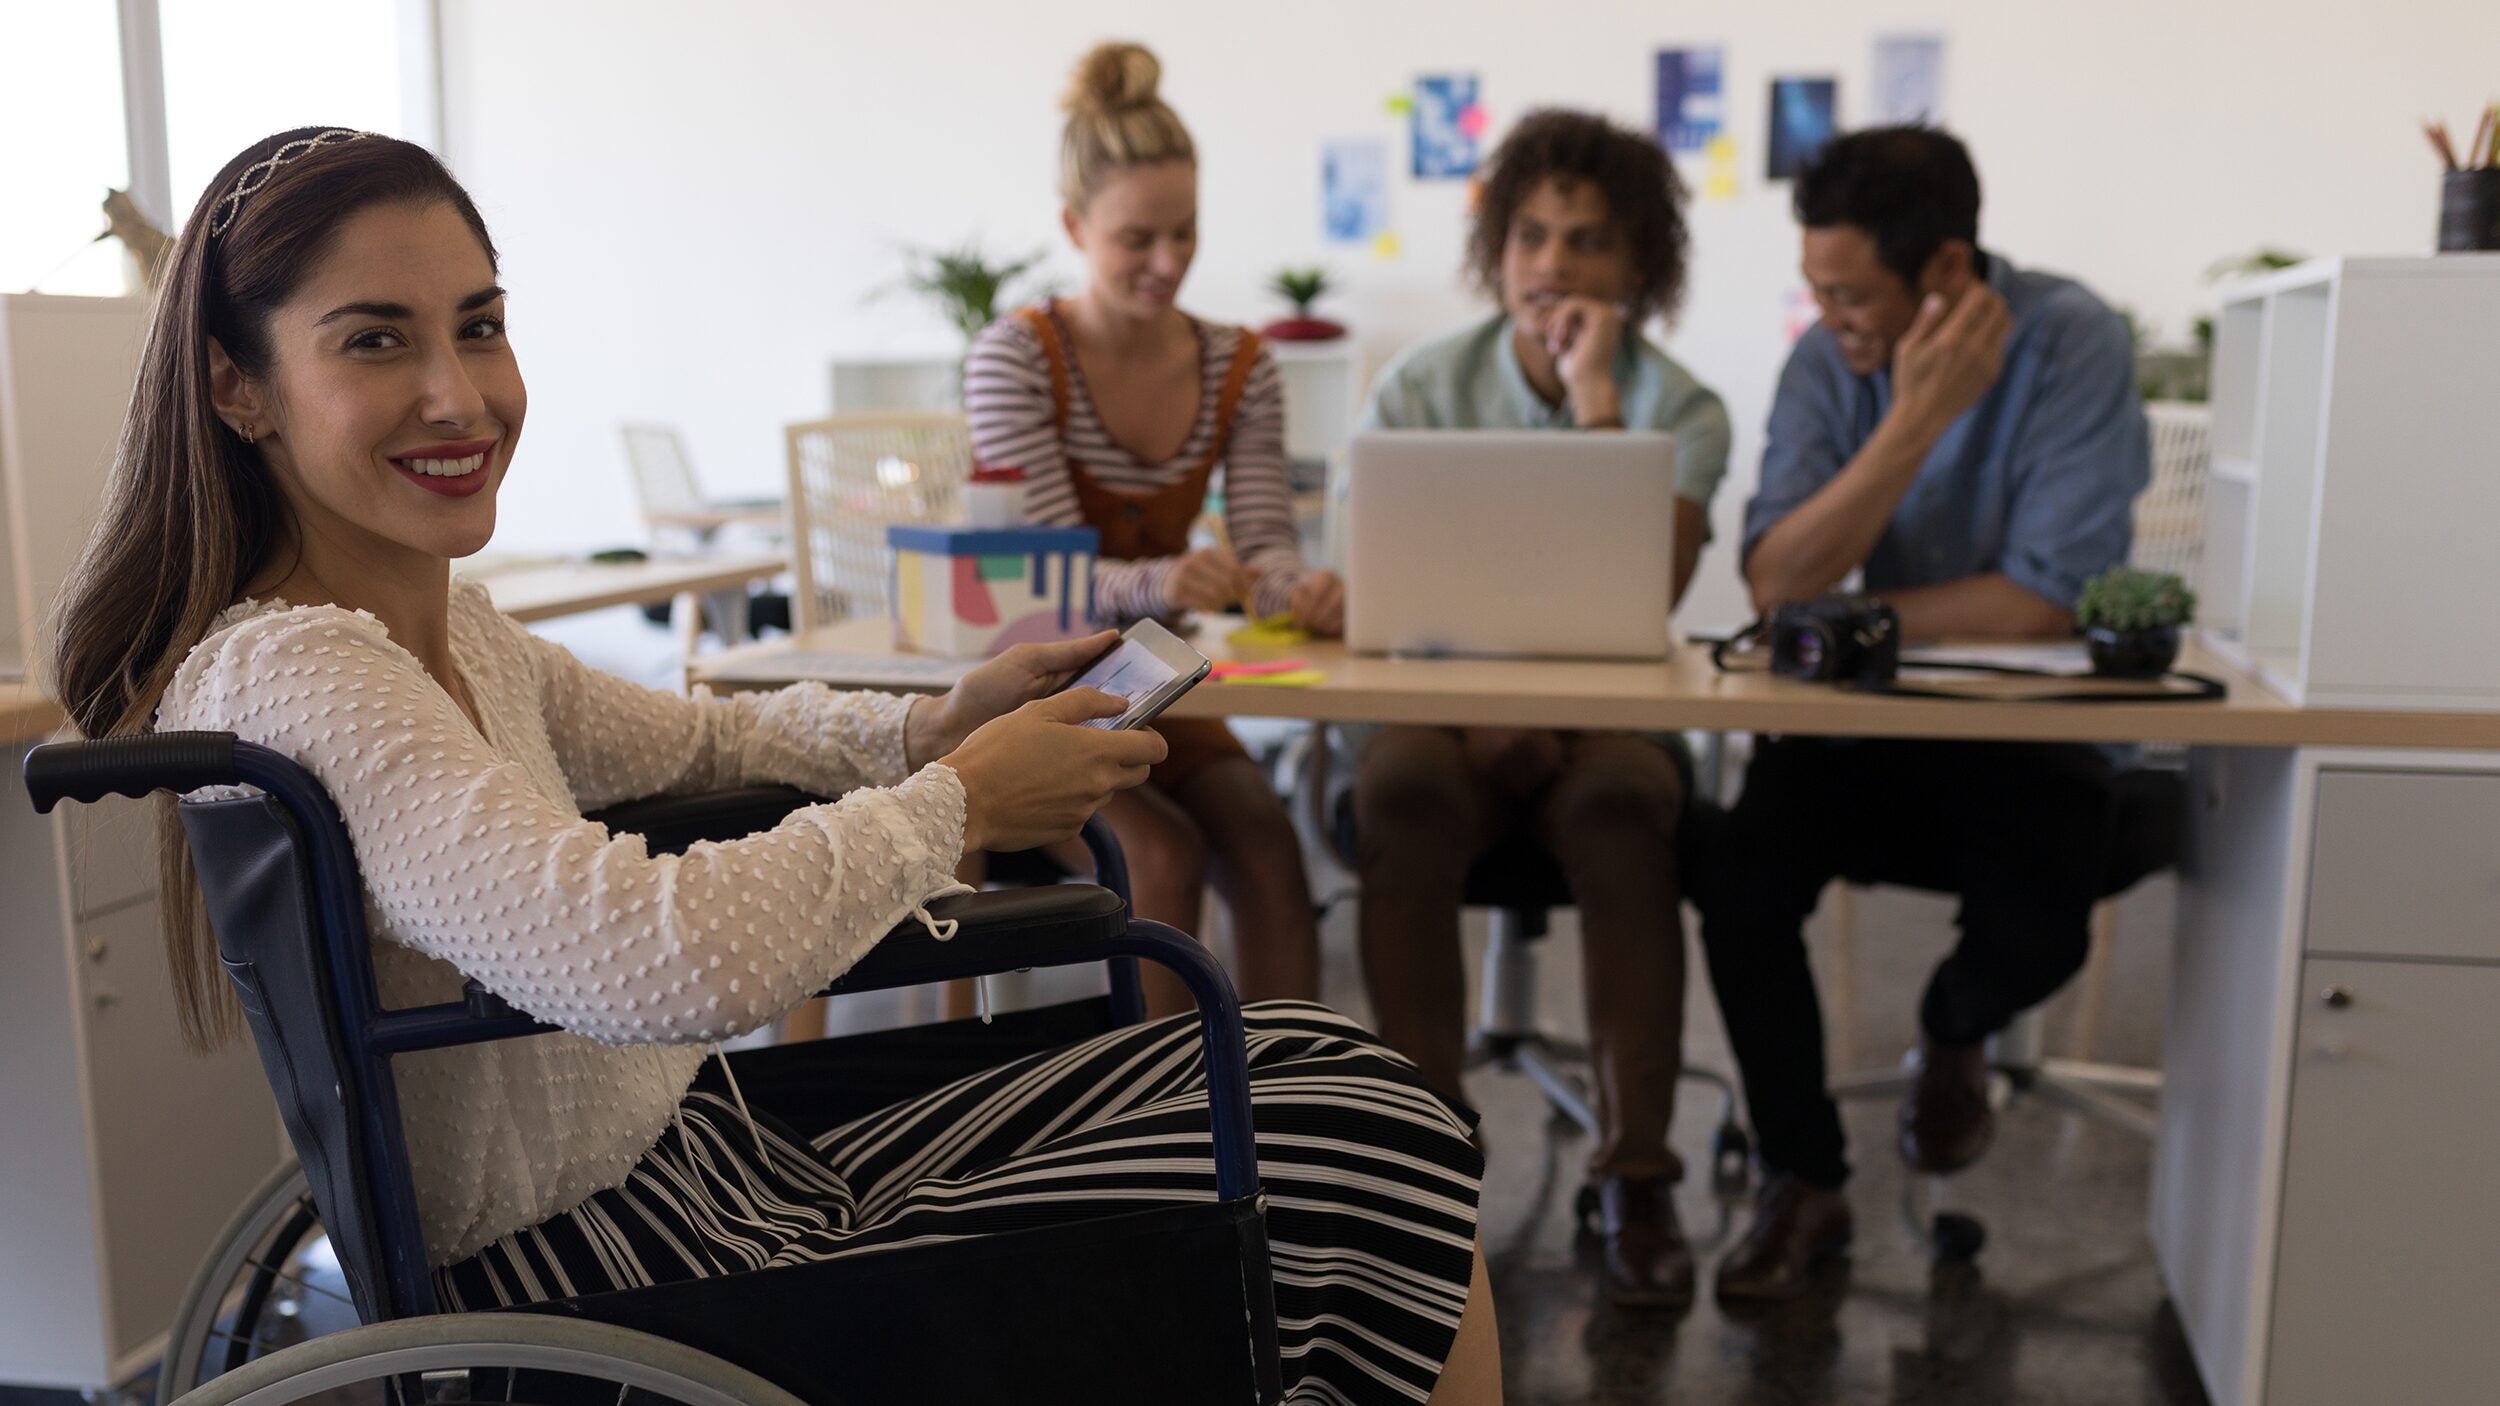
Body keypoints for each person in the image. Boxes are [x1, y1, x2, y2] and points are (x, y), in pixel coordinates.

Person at [47, 127, 1501, 1405]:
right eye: (376, 341)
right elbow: (648, 953)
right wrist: (960, 803)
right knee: (1362, 1145)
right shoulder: (307, 670)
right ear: (240, 388)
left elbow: (708, 736)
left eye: (479, 325)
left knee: (1316, 1061)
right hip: (619, 1276)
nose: (460, 394)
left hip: (713, 1168)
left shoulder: (453, 633)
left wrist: (927, 727)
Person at [1695, 124, 2150, 1302]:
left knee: (2041, 922)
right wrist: (1910, 422)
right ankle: (1804, 1175)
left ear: (1946, 267)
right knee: (1739, 880)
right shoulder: (1827, 360)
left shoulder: (2073, 340)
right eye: (1816, 290)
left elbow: (2044, 601)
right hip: (1865, 726)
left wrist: (1843, 614)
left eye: (1850, 295)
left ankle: (1953, 1027)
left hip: (2027, 735)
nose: (1828, 317)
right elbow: (1775, 582)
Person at [1352, 109, 1732, 1308]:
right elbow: (1381, 596)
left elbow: (1647, 590)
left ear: (1639, 264)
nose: (1552, 264)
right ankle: (1424, 1163)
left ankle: (1636, 1177)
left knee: (1622, 807)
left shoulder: (1685, 406)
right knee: (1399, 791)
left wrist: (1595, 395)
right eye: (1530, 236)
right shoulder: (1419, 385)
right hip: (1440, 720)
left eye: (1587, 240)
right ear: (1496, 249)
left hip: (1606, 729)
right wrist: (1482, 712)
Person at [965, 42, 1336, 1016]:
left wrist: (1299, 589)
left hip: (1159, 682)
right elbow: (1042, 581)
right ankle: (1171, 1109)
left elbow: (1264, 548)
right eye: (1138, 239)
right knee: (1162, 857)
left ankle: (1288, 1093)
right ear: (1073, 225)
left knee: (1269, 847)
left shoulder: (1240, 365)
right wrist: (1165, 579)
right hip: (1031, 692)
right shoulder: (1015, 357)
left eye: (1185, 232)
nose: (1168, 263)